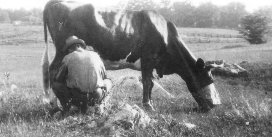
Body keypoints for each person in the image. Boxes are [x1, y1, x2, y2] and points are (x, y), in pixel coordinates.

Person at [52, 36, 112, 114]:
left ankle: (67, 109)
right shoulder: (96, 55)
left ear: (76, 46)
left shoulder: (68, 57)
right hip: (96, 95)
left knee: (56, 85)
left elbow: (58, 79)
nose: (68, 51)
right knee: (108, 81)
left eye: (68, 49)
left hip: (77, 97)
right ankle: (101, 105)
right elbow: (105, 77)